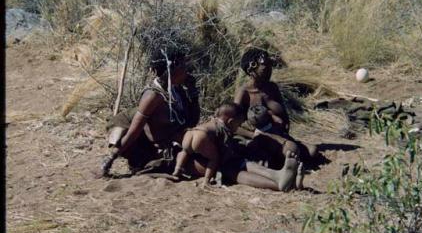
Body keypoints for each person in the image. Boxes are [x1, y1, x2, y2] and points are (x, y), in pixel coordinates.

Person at [96, 46, 200, 177]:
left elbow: (192, 122)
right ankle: (142, 162)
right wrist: (111, 158)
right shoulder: (153, 96)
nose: (187, 71)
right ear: (171, 70)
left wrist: (193, 95)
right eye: (183, 67)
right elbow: (134, 131)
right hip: (163, 152)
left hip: (181, 143)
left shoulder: (176, 89)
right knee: (201, 167)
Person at [172, 102, 303, 191]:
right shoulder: (221, 129)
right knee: (235, 167)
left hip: (189, 134)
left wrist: (177, 170)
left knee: (237, 162)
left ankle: (281, 177)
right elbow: (216, 157)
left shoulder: (209, 123)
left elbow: (184, 151)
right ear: (230, 121)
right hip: (201, 151)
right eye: (238, 124)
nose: (237, 127)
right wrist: (207, 180)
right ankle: (278, 181)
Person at [233, 47, 317, 168]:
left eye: (270, 65)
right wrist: (253, 135)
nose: (269, 70)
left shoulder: (272, 87)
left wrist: (284, 127)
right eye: (265, 67)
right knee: (290, 151)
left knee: (312, 151)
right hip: (259, 138)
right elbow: (232, 125)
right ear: (251, 69)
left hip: (279, 135)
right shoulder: (244, 92)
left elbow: (284, 114)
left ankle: (283, 154)